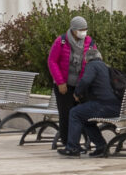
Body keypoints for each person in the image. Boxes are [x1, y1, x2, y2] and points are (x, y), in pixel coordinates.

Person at [61, 30, 120, 157]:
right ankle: (101, 146)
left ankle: (72, 148)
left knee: (75, 113)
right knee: (86, 118)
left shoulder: (92, 65)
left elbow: (85, 80)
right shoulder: (105, 66)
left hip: (104, 106)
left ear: (87, 60)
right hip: (116, 106)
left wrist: (77, 93)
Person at [47, 16, 97, 149]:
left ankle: (86, 141)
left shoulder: (89, 42)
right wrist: (60, 82)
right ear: (74, 30)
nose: (84, 32)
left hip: (81, 87)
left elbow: (94, 62)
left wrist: (83, 87)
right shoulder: (61, 41)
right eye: (81, 29)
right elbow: (52, 61)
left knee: (84, 114)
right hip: (64, 86)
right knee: (66, 115)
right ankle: (68, 144)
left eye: (85, 29)